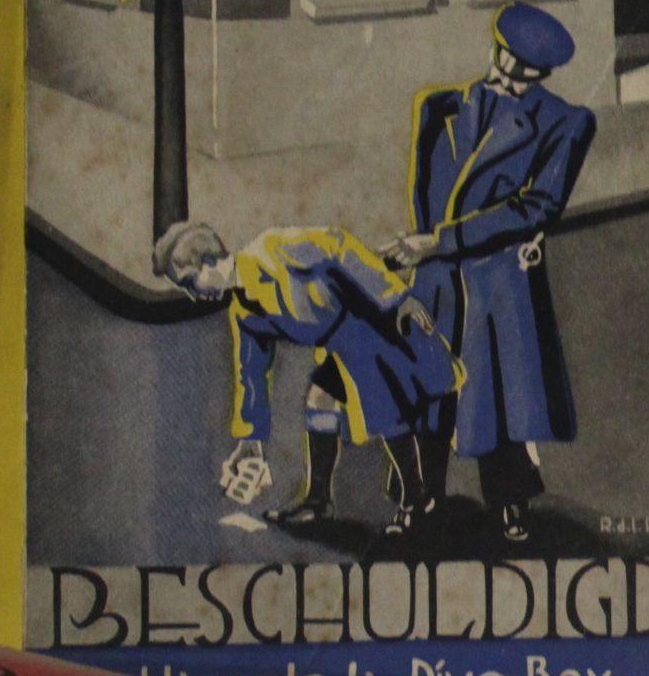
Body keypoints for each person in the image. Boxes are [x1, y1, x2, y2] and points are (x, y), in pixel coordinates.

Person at [387, 2, 596, 542]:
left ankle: (510, 503)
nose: (511, 77)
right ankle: (417, 496)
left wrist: (438, 242)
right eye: (507, 62)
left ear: (543, 74)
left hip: (498, 280)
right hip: (436, 276)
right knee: (427, 392)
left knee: (498, 397)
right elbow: (423, 193)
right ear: (494, 50)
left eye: (526, 72)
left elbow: (536, 206)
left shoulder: (567, 122)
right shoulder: (437, 106)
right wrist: (426, 251)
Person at [154, 220, 458, 535]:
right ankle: (318, 502)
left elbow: (339, 245)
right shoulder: (242, 310)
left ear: (209, 261)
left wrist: (395, 295)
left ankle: (416, 502)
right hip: (344, 345)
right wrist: (251, 440)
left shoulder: (273, 250)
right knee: (320, 399)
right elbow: (251, 373)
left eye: (190, 282)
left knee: (386, 410)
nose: (193, 295)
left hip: (375, 324)